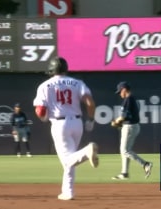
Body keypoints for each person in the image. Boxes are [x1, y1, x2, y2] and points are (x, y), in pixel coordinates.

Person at [33, 56, 98, 201]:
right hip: (77, 123)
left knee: (67, 160)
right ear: (65, 69)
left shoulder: (45, 85)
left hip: (59, 124)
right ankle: (68, 191)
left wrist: (44, 118)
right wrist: (91, 119)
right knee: (70, 159)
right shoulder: (77, 83)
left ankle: (87, 152)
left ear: (51, 70)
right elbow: (90, 103)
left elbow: (40, 110)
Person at [111, 81, 153, 180]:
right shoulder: (133, 99)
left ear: (124, 89)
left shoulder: (128, 99)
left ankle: (145, 164)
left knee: (125, 150)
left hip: (130, 127)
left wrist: (116, 122)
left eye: (120, 91)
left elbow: (123, 116)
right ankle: (124, 173)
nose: (120, 94)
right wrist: (120, 122)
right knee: (124, 150)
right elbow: (129, 115)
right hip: (132, 125)